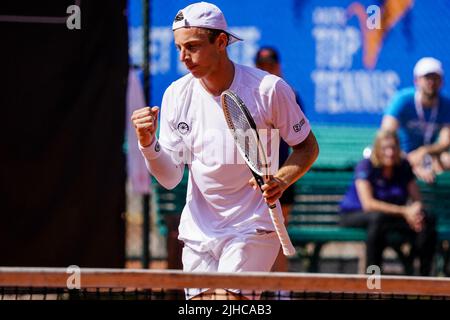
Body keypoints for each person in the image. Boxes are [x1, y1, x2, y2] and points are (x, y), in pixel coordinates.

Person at [131, 2, 319, 299]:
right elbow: (169, 178)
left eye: (192, 46)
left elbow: (307, 147)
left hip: (253, 228)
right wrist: (147, 144)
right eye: (179, 48)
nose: (183, 57)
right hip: (198, 233)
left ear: (220, 42)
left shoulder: (269, 89)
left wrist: (281, 180)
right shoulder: (176, 95)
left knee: (228, 302)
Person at [339, 130, 436, 276]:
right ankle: (373, 280)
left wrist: (416, 211)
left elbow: (417, 199)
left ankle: (424, 280)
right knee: (377, 220)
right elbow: (369, 204)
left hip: (390, 216)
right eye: (385, 148)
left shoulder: (403, 166)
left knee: (427, 220)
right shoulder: (366, 166)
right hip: (355, 214)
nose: (390, 153)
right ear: (378, 149)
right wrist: (405, 211)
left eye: (393, 147)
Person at [254, 46, 304, 273]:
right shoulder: (247, 96)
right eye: (261, 64)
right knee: (257, 238)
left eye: (271, 63)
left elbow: (300, 142)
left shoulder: (287, 94)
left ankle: (281, 292)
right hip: (253, 180)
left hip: (283, 177)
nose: (267, 67)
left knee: (276, 235)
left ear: (278, 65)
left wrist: (282, 178)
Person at [381, 57, 450, 184]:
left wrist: (424, 151)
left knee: (447, 160)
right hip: (400, 154)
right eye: (427, 78)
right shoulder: (403, 100)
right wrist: (409, 163)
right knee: (385, 159)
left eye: (435, 78)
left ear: (441, 81)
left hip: (428, 155)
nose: (431, 82)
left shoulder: (446, 104)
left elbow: (446, 142)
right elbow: (386, 134)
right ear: (416, 81)